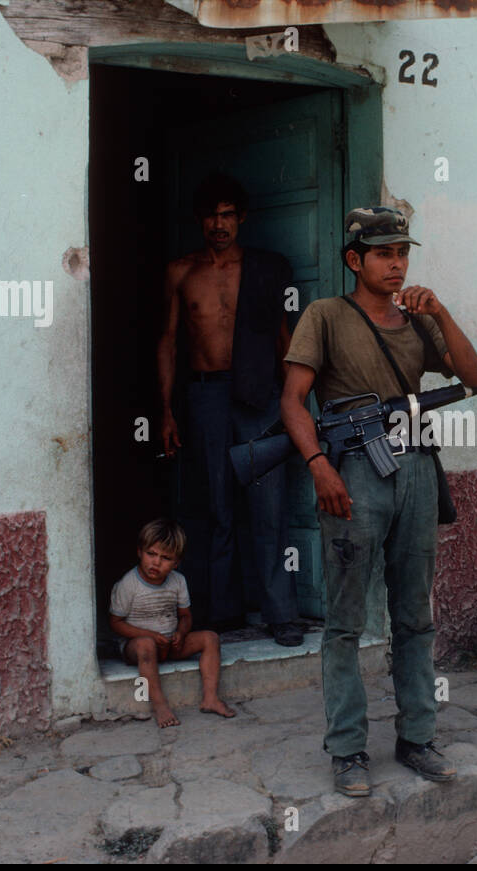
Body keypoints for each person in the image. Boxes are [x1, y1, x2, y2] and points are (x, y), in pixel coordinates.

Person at [280, 207, 477, 797]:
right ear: (355, 260)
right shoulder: (325, 316)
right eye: (383, 254)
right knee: (345, 622)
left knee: (415, 616)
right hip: (353, 476)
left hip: (415, 471)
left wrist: (440, 312)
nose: (396, 264)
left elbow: (474, 378)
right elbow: (293, 401)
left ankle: (418, 737)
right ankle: (347, 750)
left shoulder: (419, 322)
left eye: (403, 254)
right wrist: (318, 466)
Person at [157, 173, 305, 647]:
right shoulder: (181, 271)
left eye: (227, 215)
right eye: (210, 215)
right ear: (199, 220)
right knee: (215, 507)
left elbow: (285, 337)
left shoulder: (265, 267)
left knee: (269, 507)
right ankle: (221, 613)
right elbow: (168, 341)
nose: (218, 224)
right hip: (205, 396)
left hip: (260, 394)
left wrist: (293, 404)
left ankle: (282, 613)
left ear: (240, 218)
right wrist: (165, 410)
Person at [109, 518, 235, 728]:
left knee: (210, 638)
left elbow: (185, 616)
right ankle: (160, 706)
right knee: (145, 646)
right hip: (138, 646)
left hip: (170, 643)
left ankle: (210, 698)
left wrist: (181, 632)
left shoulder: (178, 581)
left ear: (176, 562)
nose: (156, 562)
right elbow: (115, 623)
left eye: (166, 558)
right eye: (151, 554)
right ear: (140, 552)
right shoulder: (128, 584)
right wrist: (148, 635)